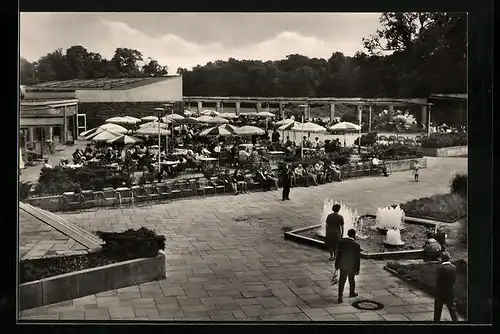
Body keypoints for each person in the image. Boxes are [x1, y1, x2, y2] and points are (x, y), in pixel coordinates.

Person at [335, 229, 361, 303]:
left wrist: (337, 265)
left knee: (341, 281)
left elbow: (338, 254)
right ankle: (352, 292)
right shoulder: (356, 245)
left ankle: (340, 297)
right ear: (354, 235)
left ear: (348, 234)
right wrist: (357, 269)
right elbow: (357, 259)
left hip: (343, 265)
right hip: (351, 266)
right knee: (351, 280)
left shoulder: (341, 242)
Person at [434, 252, 459, 322]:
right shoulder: (454, 268)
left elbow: (438, 279)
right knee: (452, 309)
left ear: (442, 259)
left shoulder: (440, 268)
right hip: (450, 291)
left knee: (438, 309)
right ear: (449, 258)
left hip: (440, 292)